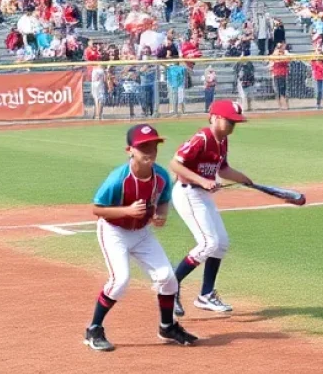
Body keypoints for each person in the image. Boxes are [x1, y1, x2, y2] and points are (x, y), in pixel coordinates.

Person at [84, 123, 196, 352]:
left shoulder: (161, 176)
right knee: (120, 281)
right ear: (130, 150)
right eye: (143, 146)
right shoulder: (118, 179)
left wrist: (161, 215)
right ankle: (93, 329)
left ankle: (167, 327)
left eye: (153, 146)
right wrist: (127, 211)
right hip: (114, 231)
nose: (150, 151)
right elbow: (97, 209)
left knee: (168, 278)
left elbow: (164, 201)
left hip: (142, 233)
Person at [170, 99, 253, 317]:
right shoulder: (202, 138)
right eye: (229, 121)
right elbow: (175, 165)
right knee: (209, 243)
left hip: (201, 194)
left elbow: (223, 169)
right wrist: (204, 181)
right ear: (215, 118)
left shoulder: (222, 140)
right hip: (187, 192)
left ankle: (205, 295)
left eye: (235, 123)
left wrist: (244, 179)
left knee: (221, 244)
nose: (232, 126)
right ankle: (170, 287)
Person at [270, 42, 290, 110]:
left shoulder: (285, 53)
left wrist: (280, 59)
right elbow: (271, 63)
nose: (280, 48)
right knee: (277, 91)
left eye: (280, 47)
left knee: (283, 91)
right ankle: (280, 106)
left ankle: (286, 105)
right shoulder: (274, 54)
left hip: (283, 74)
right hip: (275, 74)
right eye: (278, 47)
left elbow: (287, 61)